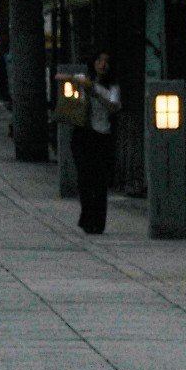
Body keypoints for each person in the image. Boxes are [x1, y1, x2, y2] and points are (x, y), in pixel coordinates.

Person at [76, 51, 121, 234]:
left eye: (106, 61)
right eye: (99, 60)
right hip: (83, 134)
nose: (103, 64)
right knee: (84, 180)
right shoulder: (84, 80)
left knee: (99, 182)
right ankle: (87, 218)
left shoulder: (112, 87)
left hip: (102, 135)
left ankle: (98, 221)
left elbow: (113, 107)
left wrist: (96, 93)